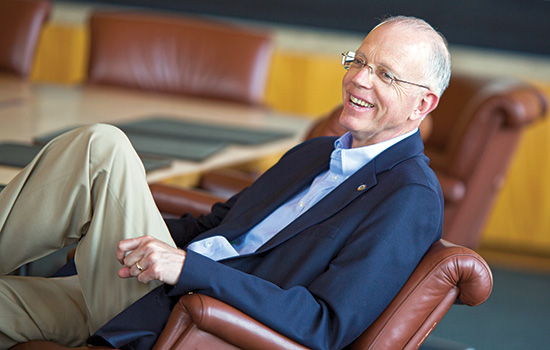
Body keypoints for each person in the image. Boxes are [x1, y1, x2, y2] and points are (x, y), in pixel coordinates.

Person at [0, 15, 451, 350]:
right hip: (143, 287)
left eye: (385, 74)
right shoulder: (315, 153)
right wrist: (113, 230)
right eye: (360, 61)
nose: (358, 78)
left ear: (422, 104)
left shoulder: (409, 196)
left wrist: (189, 270)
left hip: (193, 319)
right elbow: (215, 226)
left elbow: (325, 324)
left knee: (103, 147)